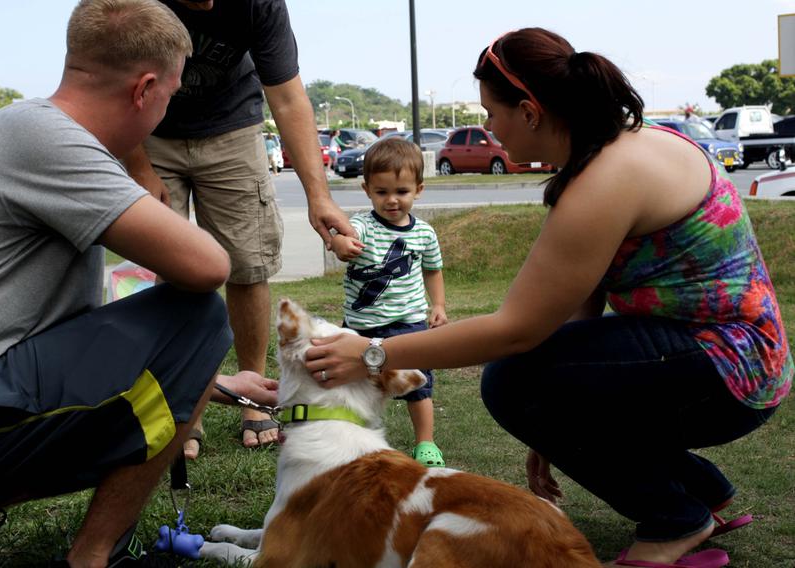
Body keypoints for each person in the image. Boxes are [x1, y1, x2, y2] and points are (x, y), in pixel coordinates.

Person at [305, 27, 792, 568]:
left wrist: (371, 352)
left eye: (492, 113)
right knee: (531, 377)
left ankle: (677, 520)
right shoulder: (623, 147)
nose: (489, 127)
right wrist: (553, 429)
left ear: (531, 112)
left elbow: (517, 330)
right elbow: (576, 310)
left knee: (510, 377)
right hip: (738, 356)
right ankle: (704, 493)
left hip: (729, 369)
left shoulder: (608, 178)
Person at [0, 1, 278, 566]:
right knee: (198, 317)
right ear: (145, 90)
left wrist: (210, 384)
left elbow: (70, 340)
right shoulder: (40, 136)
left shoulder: (24, 133)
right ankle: (92, 557)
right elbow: (208, 266)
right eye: (169, 96)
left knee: (182, 352)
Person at [122, 0, 354, 453]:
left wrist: (319, 196)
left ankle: (251, 395)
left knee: (248, 263)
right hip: (150, 131)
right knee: (173, 272)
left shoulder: (259, 4)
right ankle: (184, 402)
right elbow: (114, 85)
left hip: (231, 129)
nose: (210, 4)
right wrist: (138, 167)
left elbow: (287, 98)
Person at [328, 137, 448, 467]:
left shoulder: (424, 233)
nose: (392, 201)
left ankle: (425, 442)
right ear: (367, 190)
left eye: (402, 192)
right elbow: (343, 236)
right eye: (382, 192)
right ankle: (353, 439)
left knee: (418, 385)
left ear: (419, 189)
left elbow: (433, 270)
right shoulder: (363, 227)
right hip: (362, 326)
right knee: (353, 385)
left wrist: (437, 305)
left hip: (409, 323)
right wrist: (339, 244)